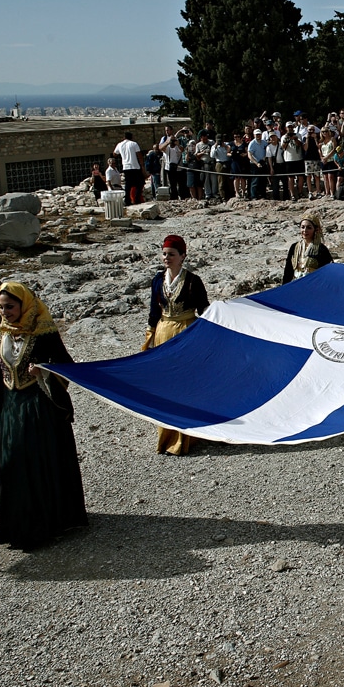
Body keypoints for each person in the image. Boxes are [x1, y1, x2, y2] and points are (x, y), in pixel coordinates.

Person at [0, 282, 87, 550]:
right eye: (1, 307)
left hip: (39, 409)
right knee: (12, 463)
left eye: (10, 306)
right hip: (9, 411)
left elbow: (66, 366)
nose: (5, 312)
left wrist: (43, 371)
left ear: (24, 305)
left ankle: (47, 523)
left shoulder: (44, 333)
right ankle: (17, 524)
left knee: (37, 463)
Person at [145, 235, 210, 455]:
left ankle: (186, 435)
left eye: (171, 254)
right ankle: (166, 434)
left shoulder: (193, 281)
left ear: (182, 256)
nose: (166, 258)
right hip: (164, 332)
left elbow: (205, 311)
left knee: (185, 382)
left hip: (186, 333)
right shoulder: (157, 280)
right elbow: (154, 312)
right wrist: (150, 335)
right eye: (164, 254)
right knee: (165, 382)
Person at [282, 213, 334, 283]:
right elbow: (288, 270)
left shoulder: (321, 249)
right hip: (296, 284)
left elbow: (328, 272)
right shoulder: (294, 247)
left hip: (313, 285)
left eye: (309, 228)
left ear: (315, 229)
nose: (305, 230)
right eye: (302, 227)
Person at [114, 131, 144, 205]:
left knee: (128, 185)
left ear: (124, 137)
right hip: (135, 166)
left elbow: (114, 154)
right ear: (131, 137)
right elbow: (139, 155)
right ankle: (137, 199)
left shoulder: (120, 144)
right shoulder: (134, 144)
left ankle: (127, 200)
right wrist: (142, 165)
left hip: (126, 167)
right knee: (140, 183)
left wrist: (122, 153)